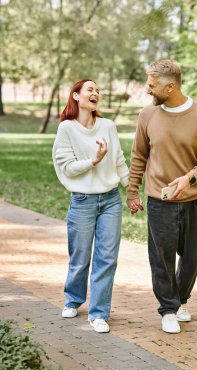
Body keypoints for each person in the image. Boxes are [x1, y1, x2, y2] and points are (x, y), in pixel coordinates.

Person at [126, 60, 197, 334]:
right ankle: (168, 309)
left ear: (170, 87)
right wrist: (133, 190)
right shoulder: (147, 115)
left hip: (194, 200)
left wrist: (190, 177)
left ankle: (181, 300)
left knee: (191, 257)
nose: (148, 89)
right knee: (162, 257)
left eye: (152, 85)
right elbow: (139, 155)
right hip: (159, 200)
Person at [52, 79, 129, 333]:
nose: (96, 93)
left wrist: (132, 189)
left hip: (111, 200)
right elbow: (67, 167)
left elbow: (119, 160)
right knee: (80, 257)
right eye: (90, 90)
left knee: (107, 258)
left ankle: (99, 314)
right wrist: (93, 161)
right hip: (82, 201)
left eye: (98, 90)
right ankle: (73, 298)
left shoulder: (108, 125)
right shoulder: (67, 128)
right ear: (76, 96)